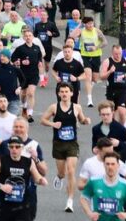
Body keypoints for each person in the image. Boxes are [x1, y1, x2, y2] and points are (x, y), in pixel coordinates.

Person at [41, 81, 91, 212]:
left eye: (66, 91)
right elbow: (43, 120)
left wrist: (86, 121)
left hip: (72, 144)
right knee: (62, 173)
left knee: (71, 171)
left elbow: (82, 120)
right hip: (58, 143)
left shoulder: (77, 107)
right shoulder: (54, 107)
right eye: (62, 92)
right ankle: (59, 176)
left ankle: (70, 201)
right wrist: (53, 125)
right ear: (58, 93)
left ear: (71, 93)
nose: (64, 94)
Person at [0, 136, 48, 221]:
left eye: (17, 147)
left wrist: (42, 181)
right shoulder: (0, 160)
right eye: (11, 147)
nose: (14, 149)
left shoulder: (28, 162)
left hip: (24, 205)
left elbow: (37, 178)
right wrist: (1, 186)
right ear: (8, 147)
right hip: (6, 205)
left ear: (22, 148)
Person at [80, 153, 126, 221]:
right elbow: (83, 198)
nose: (110, 167)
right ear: (104, 165)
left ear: (118, 165)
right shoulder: (94, 181)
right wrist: (90, 213)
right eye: (107, 164)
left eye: (113, 164)